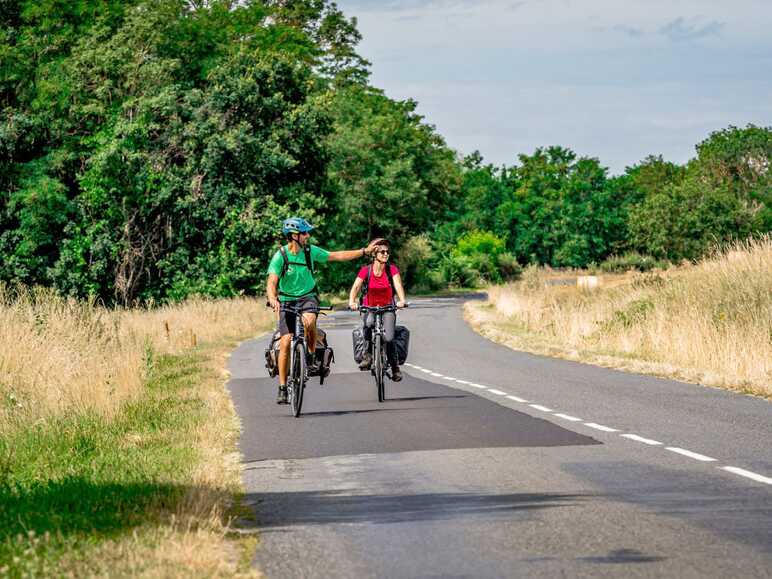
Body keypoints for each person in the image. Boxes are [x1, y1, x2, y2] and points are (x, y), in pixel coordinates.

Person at [267, 217, 382, 404]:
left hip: (307, 297)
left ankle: (311, 356)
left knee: (310, 321)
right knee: (286, 341)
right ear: (294, 236)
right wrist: (273, 299)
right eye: (304, 233)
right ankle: (282, 388)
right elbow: (272, 281)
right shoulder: (281, 255)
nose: (308, 235)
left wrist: (364, 252)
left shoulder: (309, 252)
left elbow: (336, 256)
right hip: (286, 299)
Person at [348, 239, 407, 381]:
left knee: (389, 337)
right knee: (368, 324)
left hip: (388, 307)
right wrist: (352, 301)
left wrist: (401, 300)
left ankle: (395, 368)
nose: (386, 254)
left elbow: (398, 285)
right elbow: (356, 287)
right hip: (370, 307)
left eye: (387, 252)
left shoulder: (391, 269)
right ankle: (367, 355)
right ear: (375, 254)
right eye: (382, 252)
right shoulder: (365, 270)